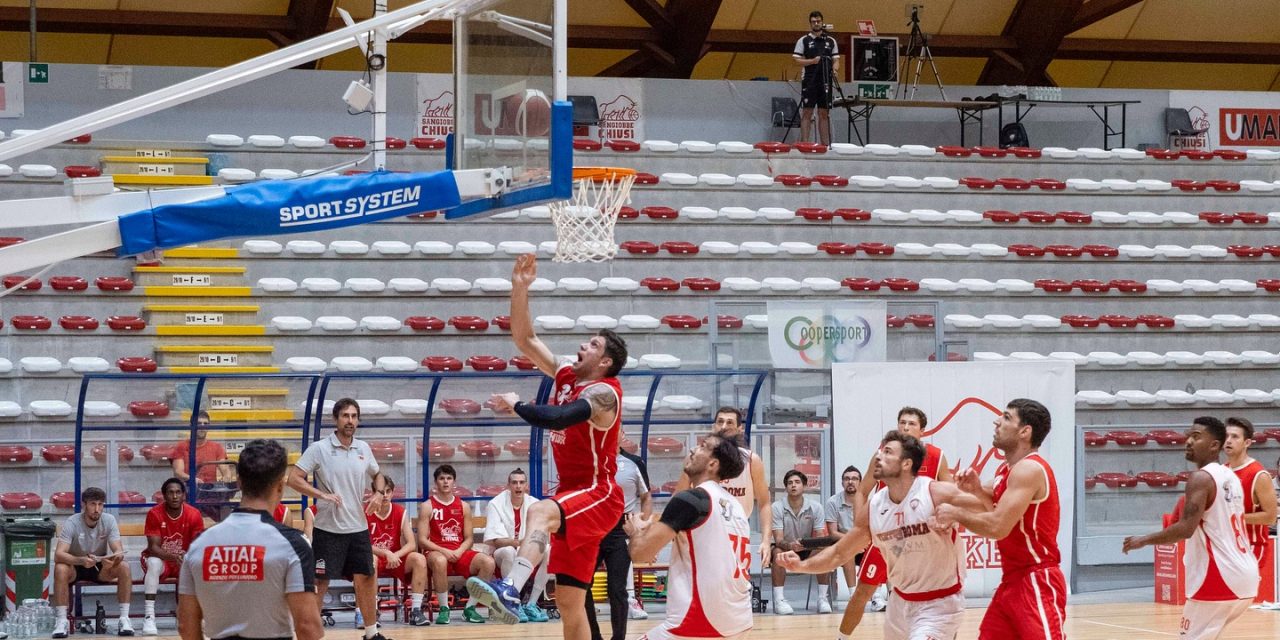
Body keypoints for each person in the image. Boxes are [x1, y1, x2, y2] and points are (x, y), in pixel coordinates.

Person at [468, 253, 628, 640]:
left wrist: (518, 405)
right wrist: (519, 289)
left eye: (592, 344)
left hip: (599, 493)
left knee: (538, 510)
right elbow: (525, 339)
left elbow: (559, 418)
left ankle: (510, 590)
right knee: (570, 604)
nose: (582, 345)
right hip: (573, 492)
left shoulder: (604, 393)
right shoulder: (567, 374)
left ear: (605, 361)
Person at [779, 432, 982, 640]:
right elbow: (839, 553)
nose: (878, 456)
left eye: (887, 452)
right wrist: (801, 566)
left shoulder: (935, 493)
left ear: (906, 464)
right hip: (899, 605)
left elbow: (990, 510)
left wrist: (962, 510)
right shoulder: (874, 507)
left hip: (939, 604)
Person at [935, 398, 1065, 640]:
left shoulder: (1029, 469)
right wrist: (976, 490)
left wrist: (955, 514)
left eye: (1006, 417)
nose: (997, 421)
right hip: (1012, 579)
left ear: (1025, 432)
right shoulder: (1005, 471)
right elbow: (991, 507)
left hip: (1036, 578)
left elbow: (997, 526)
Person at [1122, 417, 1259, 639]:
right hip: (1246, 576)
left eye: (1196, 437)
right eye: (1188, 436)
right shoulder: (1230, 477)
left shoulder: (1201, 478)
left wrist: (1143, 540)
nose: (1188, 441)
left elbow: (1185, 529)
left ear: (1214, 445)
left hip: (1219, 575)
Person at [178, 439, 323, 640]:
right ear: (280, 486)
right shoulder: (294, 544)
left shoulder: (199, 544)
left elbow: (185, 625)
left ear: (239, 483)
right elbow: (308, 627)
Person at [624, 433, 751, 640]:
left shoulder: (692, 499)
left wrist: (635, 531)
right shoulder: (736, 506)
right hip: (740, 619)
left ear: (712, 464)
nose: (693, 449)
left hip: (700, 621)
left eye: (702, 446)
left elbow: (639, 553)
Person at [288, 399, 387, 640]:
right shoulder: (319, 448)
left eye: (354, 416)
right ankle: (310, 636)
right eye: (345, 416)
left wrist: (378, 493)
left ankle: (371, 633)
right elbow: (294, 478)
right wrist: (321, 495)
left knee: (366, 578)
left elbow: (378, 474)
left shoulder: (363, 448)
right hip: (327, 529)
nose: (350, 421)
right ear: (335, 419)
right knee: (319, 582)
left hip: (358, 527)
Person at [848, 406, 952, 627]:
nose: (905, 427)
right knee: (862, 591)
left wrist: (946, 521)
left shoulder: (936, 456)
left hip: (922, 538)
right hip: (887, 533)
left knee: (923, 595)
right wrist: (859, 528)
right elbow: (862, 491)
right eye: (902, 422)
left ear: (922, 430)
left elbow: (952, 496)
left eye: (911, 424)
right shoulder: (883, 455)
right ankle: (841, 637)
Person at [673, 408, 773, 570]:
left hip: (736, 531)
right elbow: (678, 497)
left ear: (740, 429)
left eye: (729, 422)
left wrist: (766, 540)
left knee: (734, 581)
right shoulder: (696, 458)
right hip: (701, 529)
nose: (724, 426)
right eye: (720, 421)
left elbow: (765, 503)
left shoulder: (751, 460)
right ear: (714, 426)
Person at [587, 443, 653, 640]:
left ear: (622, 434)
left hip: (621, 528)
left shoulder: (634, 462)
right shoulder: (590, 459)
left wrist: (643, 531)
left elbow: (646, 497)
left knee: (617, 588)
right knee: (582, 584)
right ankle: (594, 636)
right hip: (594, 527)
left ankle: (618, 638)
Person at [52, 487, 134, 638]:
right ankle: (61, 621)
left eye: (100, 504)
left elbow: (118, 550)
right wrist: (81, 560)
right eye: (93, 504)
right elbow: (58, 554)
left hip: (99, 565)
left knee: (124, 567)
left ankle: (124, 619)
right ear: (84, 505)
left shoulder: (109, 520)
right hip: (76, 564)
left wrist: (113, 561)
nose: (97, 509)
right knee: (60, 568)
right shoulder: (72, 522)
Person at [419, 464, 493, 624]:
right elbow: (422, 540)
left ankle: (470, 608)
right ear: (435, 482)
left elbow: (469, 538)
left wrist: (459, 551)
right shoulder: (427, 506)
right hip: (436, 552)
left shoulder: (463, 506)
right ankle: (444, 608)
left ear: (454, 482)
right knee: (440, 560)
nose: (445, 482)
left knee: (488, 562)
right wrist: (444, 551)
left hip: (459, 551)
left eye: (449, 478)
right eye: (442, 478)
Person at [484, 468, 552, 623]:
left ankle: (531, 604)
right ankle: (514, 603)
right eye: (514, 483)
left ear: (526, 485)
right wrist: (519, 543)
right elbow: (496, 540)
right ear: (508, 485)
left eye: (521, 482)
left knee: (549, 551)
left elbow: (542, 536)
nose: (518, 486)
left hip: (526, 551)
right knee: (509, 551)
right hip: (501, 552)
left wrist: (525, 545)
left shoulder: (535, 504)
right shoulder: (496, 503)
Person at [140, 478, 204, 636]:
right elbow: (153, 548)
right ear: (164, 495)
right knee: (153, 563)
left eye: (178, 492)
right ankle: (149, 616)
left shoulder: (194, 514)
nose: (175, 496)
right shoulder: (154, 513)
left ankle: (194, 616)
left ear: (184, 495)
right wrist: (174, 556)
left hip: (183, 561)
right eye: (170, 492)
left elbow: (198, 545)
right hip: (163, 561)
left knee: (199, 564)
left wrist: (186, 557)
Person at [365, 473, 430, 626]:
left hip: (395, 558)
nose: (385, 495)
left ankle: (416, 611)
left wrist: (395, 555)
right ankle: (372, 611)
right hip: (375, 556)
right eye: (382, 492)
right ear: (374, 493)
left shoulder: (400, 511)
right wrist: (385, 553)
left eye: (388, 491)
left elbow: (411, 544)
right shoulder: (365, 512)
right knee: (371, 560)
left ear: (393, 492)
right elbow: (362, 544)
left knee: (419, 558)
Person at [770, 469, 829, 615]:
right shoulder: (777, 507)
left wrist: (805, 545)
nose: (793, 485)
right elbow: (778, 539)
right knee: (777, 553)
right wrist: (790, 545)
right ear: (786, 487)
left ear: (804, 486)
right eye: (790, 483)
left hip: (807, 548)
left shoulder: (816, 507)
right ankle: (779, 600)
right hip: (786, 548)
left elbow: (820, 537)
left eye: (797, 482)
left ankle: (822, 598)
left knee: (824, 551)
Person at [1224, 417, 1277, 573]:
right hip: (1226, 546)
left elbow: (1270, 517)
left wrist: (1235, 518)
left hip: (1251, 547)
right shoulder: (1221, 471)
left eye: (1235, 436)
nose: (1228, 440)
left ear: (1247, 442)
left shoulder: (1259, 475)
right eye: (1226, 436)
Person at [792, 10, 840, 146]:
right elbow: (796, 60)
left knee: (824, 112)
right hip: (810, 79)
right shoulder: (804, 40)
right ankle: (805, 144)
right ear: (810, 23)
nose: (816, 23)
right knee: (807, 111)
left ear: (822, 22)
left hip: (825, 80)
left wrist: (835, 70)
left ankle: (825, 145)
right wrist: (812, 61)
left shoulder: (830, 41)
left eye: (818, 21)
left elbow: (836, 59)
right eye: (813, 21)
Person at [824, 466, 861, 600]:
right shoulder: (833, 502)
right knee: (848, 551)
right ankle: (853, 596)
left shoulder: (868, 501)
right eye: (847, 479)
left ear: (860, 483)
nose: (850, 482)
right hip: (842, 544)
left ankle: (877, 597)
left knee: (880, 551)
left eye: (854, 479)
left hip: (863, 544)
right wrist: (854, 542)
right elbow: (833, 533)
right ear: (842, 483)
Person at [171, 410, 231, 483]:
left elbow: (225, 470)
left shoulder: (217, 447)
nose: (202, 427)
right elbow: (178, 472)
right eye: (198, 423)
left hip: (210, 489)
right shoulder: (181, 446)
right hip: (189, 488)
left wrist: (226, 478)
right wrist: (193, 480)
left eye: (205, 423)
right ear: (191, 426)